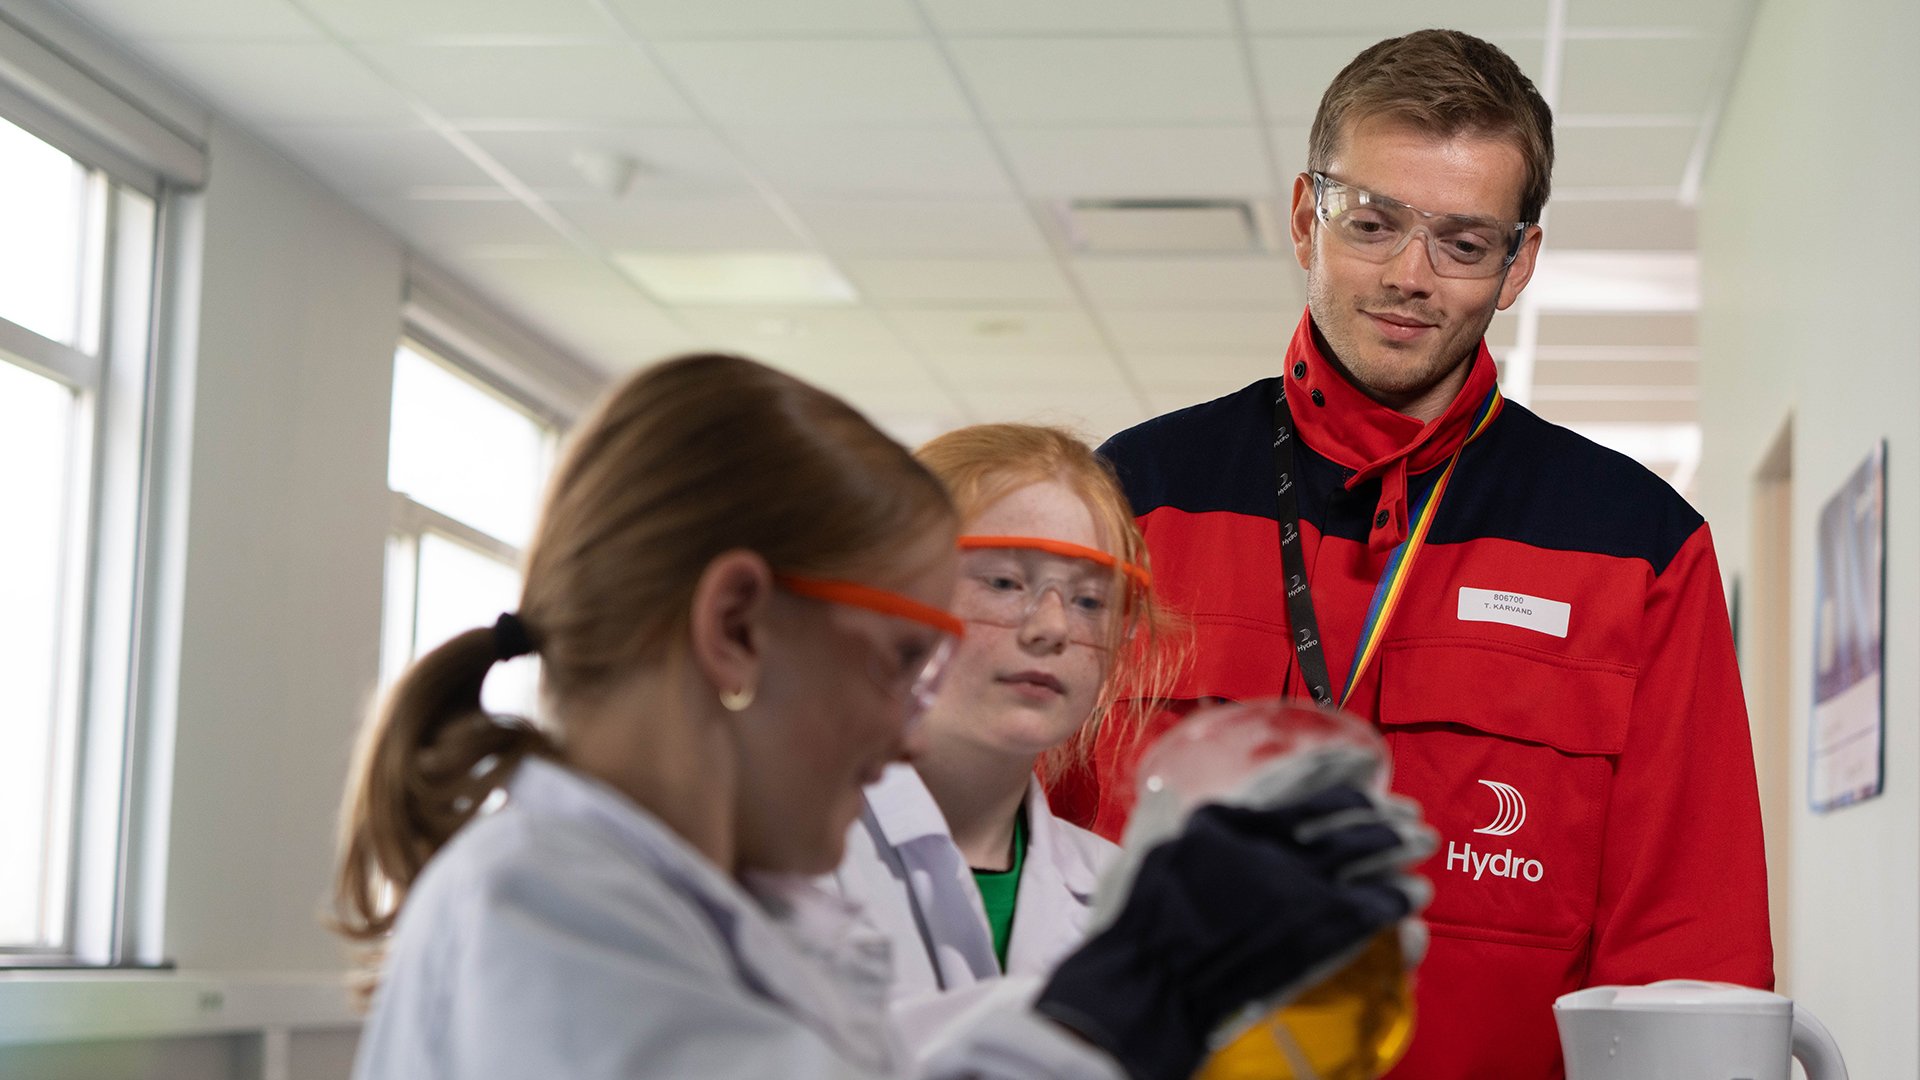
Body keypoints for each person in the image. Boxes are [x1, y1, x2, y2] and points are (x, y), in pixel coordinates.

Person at [330, 353, 1432, 1080]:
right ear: (740, 626)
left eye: (1087, 601)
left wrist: (1195, 971)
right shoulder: (543, 909)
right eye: (901, 657)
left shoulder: (731, 904)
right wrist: (1132, 990)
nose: (907, 732)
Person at [1070, 28, 1773, 1079]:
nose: (1410, 276)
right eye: (1374, 223)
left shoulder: (1638, 547)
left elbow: (1688, 957)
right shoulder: (1138, 499)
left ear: (1519, 262)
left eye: (1463, 241)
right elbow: (1026, 863)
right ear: (1309, 216)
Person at [828, 424, 1183, 1043]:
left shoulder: (1122, 895)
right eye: (1003, 583)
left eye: (1090, 602)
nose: (1051, 627)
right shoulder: (774, 850)